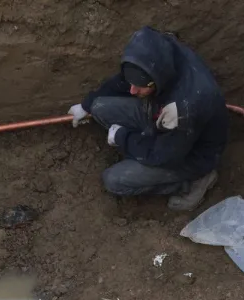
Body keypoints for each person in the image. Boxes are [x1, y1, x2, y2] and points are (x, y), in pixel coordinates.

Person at [67, 27, 228, 211]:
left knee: (114, 180)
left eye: (140, 87)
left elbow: (163, 156)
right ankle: (140, 147)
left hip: (189, 154)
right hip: (161, 116)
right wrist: (86, 105)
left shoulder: (185, 108)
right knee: (99, 108)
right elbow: (126, 79)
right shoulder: (157, 53)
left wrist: (123, 138)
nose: (132, 92)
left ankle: (193, 181)